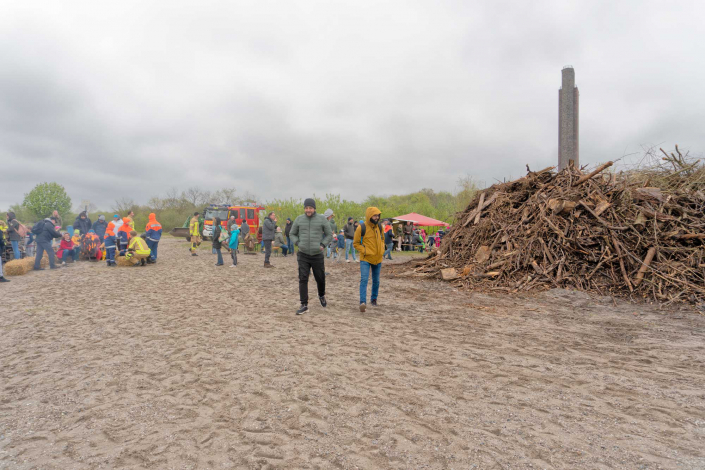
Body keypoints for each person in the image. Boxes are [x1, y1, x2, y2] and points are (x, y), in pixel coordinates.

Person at [290, 198, 332, 315]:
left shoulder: (322, 219)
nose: (308, 210)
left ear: (314, 208)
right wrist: (298, 243)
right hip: (303, 254)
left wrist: (323, 244)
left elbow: (329, 234)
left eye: (310, 208)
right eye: (306, 208)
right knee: (303, 278)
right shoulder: (299, 219)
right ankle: (304, 304)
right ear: (304, 208)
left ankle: (321, 295)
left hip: (317, 254)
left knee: (320, 277)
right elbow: (292, 233)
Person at [353, 207, 385, 312]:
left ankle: (374, 299)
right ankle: (362, 302)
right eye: (375, 215)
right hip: (365, 258)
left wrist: (382, 249)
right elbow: (356, 244)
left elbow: (383, 240)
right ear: (369, 215)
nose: (377, 217)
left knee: (376, 281)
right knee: (364, 279)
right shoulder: (361, 228)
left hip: (378, 258)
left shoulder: (380, 227)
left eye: (378, 216)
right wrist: (365, 250)